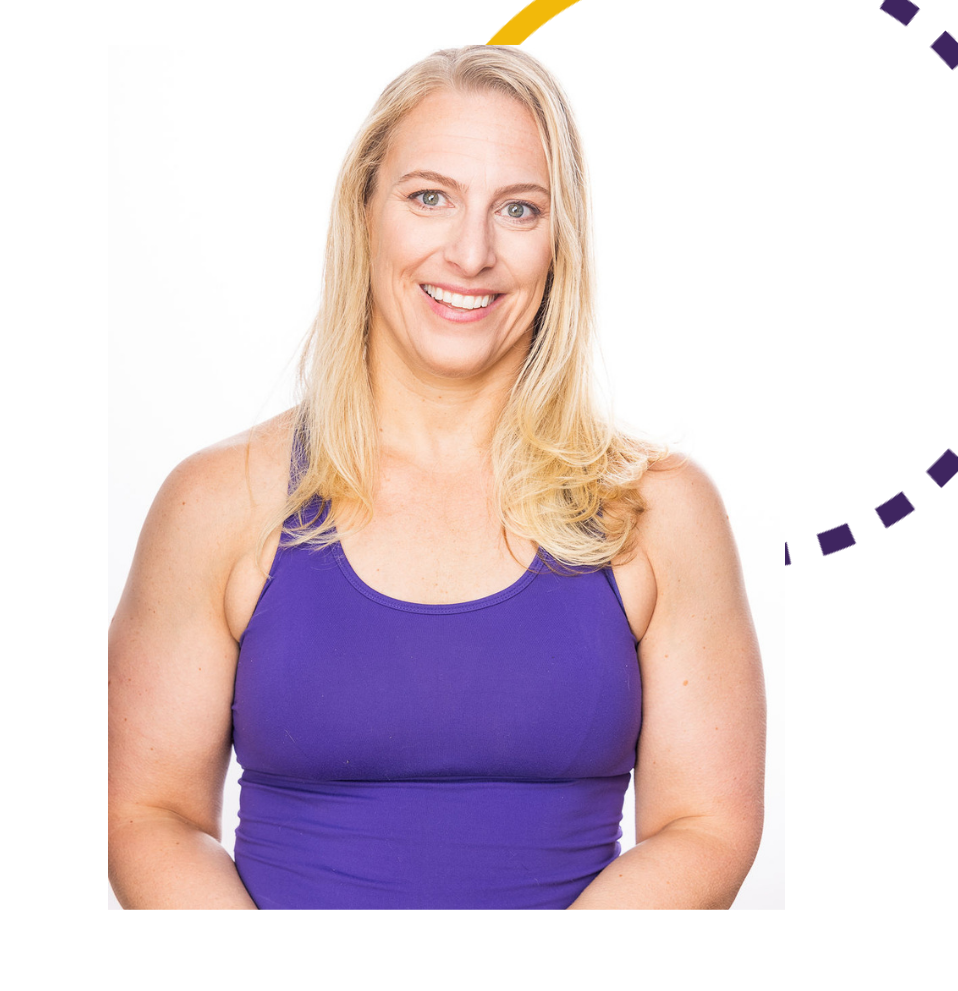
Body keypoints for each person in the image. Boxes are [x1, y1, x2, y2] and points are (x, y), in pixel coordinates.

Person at [108, 44, 766, 910]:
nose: (470, 252)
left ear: (561, 241)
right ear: (365, 211)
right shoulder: (217, 501)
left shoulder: (659, 513)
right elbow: (146, 814)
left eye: (519, 209)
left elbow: (706, 826)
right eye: (430, 197)